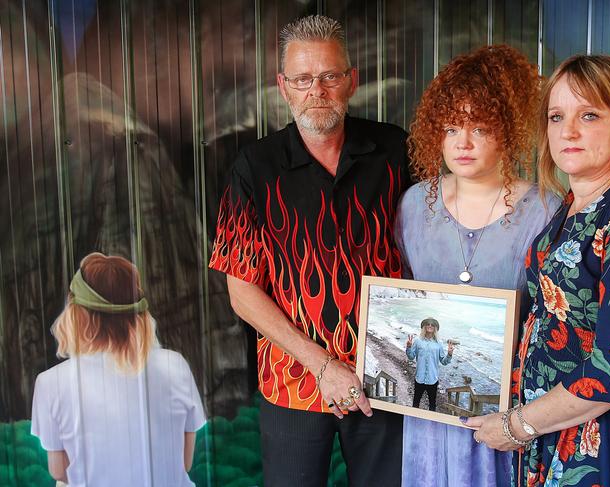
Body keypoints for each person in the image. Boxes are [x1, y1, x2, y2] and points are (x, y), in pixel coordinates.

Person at [208, 14, 411, 487]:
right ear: (283, 86)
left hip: (385, 380)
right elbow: (242, 293)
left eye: (329, 76)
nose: (316, 90)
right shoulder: (254, 168)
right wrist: (323, 366)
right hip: (293, 381)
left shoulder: (394, 150)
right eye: (302, 79)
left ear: (351, 81)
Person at [468, 54, 610, 486]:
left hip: (601, 444)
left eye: (589, 115)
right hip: (551, 432)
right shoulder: (569, 210)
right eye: (556, 116)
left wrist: (516, 426)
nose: (567, 131)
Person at [395, 45, 560, 486]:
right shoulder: (414, 205)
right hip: (428, 414)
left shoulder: (545, 209)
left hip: (510, 413)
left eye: (479, 128)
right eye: (450, 128)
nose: (462, 143)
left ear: (508, 129)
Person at [31, 253, 206, 487]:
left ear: (77, 314)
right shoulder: (175, 365)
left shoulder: (50, 383)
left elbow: (59, 470)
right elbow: (183, 463)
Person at [406, 318, 454, 410]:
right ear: (424, 326)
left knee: (432, 404)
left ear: (435, 328)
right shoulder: (417, 341)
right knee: (416, 402)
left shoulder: (439, 343)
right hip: (419, 378)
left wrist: (449, 354)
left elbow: (443, 361)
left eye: (432, 324)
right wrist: (408, 347)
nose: (430, 326)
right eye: (428, 324)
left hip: (433, 379)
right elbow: (411, 357)